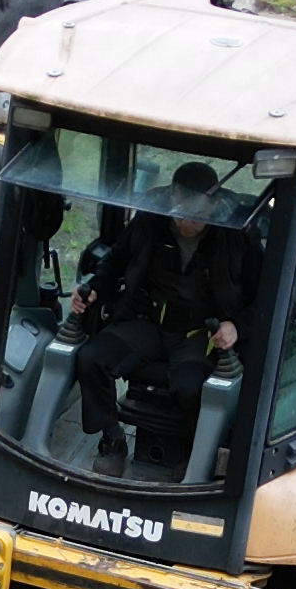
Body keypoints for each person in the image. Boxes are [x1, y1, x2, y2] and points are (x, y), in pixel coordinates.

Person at [71, 164, 252, 473]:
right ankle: (112, 439)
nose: (185, 223)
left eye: (196, 216)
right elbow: (115, 260)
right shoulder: (151, 221)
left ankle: (193, 455)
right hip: (149, 322)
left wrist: (236, 325)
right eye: (179, 213)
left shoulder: (235, 236)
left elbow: (261, 295)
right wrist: (96, 289)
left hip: (200, 334)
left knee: (192, 387)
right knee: (92, 358)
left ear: (213, 205)